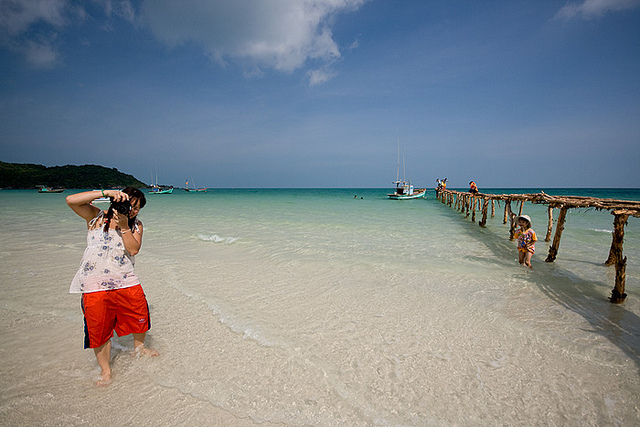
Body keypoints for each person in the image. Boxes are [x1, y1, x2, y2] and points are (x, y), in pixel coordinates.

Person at [67, 188, 158, 386]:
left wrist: (125, 225)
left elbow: (133, 249)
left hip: (126, 279)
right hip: (94, 283)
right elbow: (71, 200)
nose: (132, 210)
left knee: (139, 313)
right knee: (99, 328)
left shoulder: (135, 225)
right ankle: (106, 370)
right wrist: (106, 192)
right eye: (129, 205)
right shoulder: (96, 217)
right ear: (116, 202)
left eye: (136, 208)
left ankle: (139, 348)